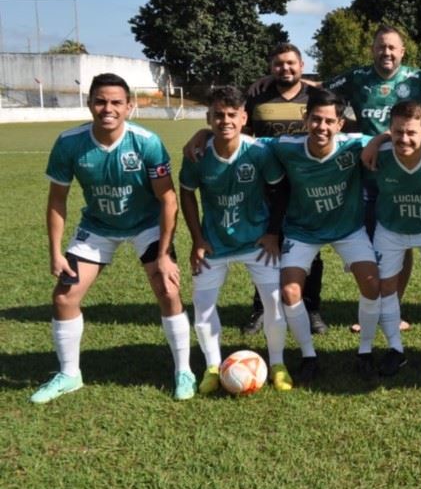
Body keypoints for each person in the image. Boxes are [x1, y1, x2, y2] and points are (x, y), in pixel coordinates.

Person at [32, 73, 194, 403]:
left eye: (116, 102)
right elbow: (57, 200)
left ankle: (184, 370)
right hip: (98, 227)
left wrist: (163, 254)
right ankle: (69, 374)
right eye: (101, 101)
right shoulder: (69, 143)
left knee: (168, 289)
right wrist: (55, 252)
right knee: (64, 297)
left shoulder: (146, 142)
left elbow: (168, 199)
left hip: (146, 224)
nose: (108, 108)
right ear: (90, 103)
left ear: (129, 107)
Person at [179, 86, 293, 394]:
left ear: (243, 118)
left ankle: (278, 364)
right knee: (202, 308)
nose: (225, 121)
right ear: (208, 118)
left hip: (257, 242)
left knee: (273, 303)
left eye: (232, 115)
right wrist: (197, 239)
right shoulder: (197, 155)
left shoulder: (258, 152)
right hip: (214, 243)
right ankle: (213, 367)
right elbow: (187, 194)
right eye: (218, 115)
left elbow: (280, 190)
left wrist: (272, 233)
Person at [268, 89, 382, 381]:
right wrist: (202, 136)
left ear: (340, 124)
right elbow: (247, 143)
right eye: (316, 119)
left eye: (329, 121)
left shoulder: (353, 144)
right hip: (302, 230)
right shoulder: (286, 146)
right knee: (290, 291)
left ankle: (366, 351)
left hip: (348, 229)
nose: (322, 127)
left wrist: (378, 140)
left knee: (372, 285)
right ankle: (308, 355)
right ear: (305, 119)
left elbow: (396, 135)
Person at [327, 25, 421, 321]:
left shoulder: (418, 79)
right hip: (366, 172)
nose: (386, 52)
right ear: (372, 49)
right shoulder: (357, 78)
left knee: (402, 238)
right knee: (369, 240)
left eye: (392, 47)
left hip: (405, 173)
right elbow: (321, 93)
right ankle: (374, 302)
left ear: (403, 51)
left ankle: (394, 307)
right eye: (381, 46)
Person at [362, 100, 421, 376]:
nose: (404, 138)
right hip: (390, 229)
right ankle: (396, 349)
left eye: (412, 132)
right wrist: (375, 141)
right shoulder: (380, 152)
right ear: (389, 130)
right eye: (398, 132)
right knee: (386, 287)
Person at [240, 43, 327, 335]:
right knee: (266, 245)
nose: (284, 69)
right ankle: (262, 307)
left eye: (290, 63)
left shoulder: (315, 96)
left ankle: (311, 308)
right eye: (278, 64)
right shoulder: (256, 96)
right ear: (270, 68)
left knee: (311, 250)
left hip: (306, 186)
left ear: (302, 65)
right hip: (265, 188)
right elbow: (242, 135)